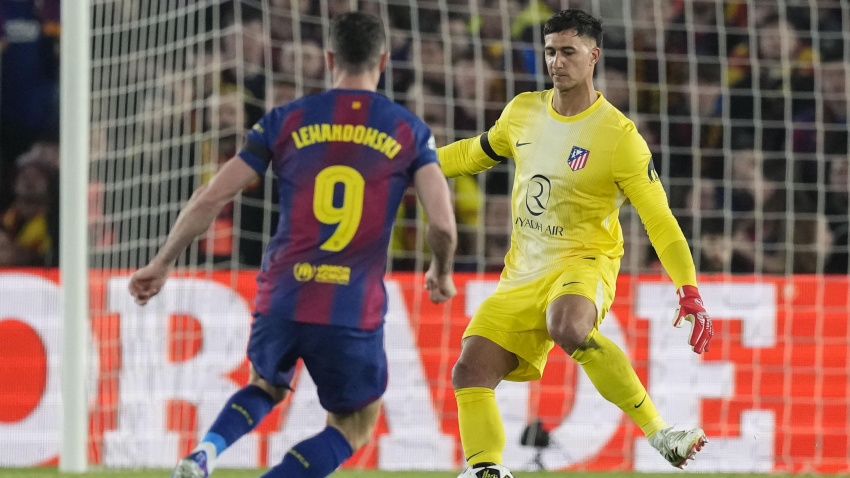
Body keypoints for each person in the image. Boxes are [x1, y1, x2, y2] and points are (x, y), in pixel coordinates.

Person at [128, 12, 458, 478]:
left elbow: (213, 195)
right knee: (354, 424)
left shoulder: (285, 120)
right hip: (349, 308)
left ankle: (204, 453)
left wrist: (162, 263)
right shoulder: (407, 129)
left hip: (282, 294)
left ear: (329, 59)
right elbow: (443, 225)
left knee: (265, 385)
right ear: (383, 60)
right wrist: (441, 271)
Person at [436, 10, 714, 477]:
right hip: (524, 270)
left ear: (593, 56)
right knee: (470, 371)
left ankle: (659, 431)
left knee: (567, 324)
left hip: (585, 262)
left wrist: (689, 289)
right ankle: (486, 471)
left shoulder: (619, 137)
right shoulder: (522, 110)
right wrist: (415, 164)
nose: (557, 62)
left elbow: (659, 219)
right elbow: (474, 152)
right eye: (550, 51)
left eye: (568, 51)